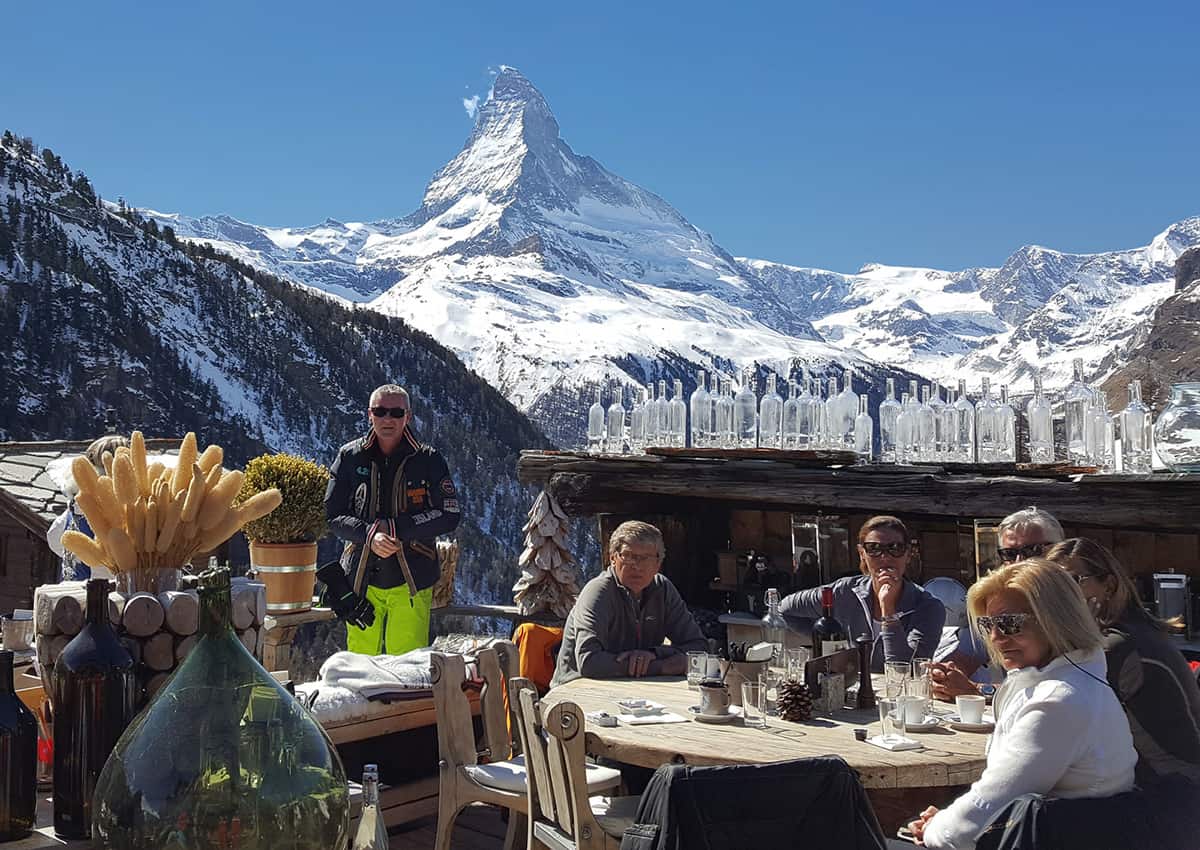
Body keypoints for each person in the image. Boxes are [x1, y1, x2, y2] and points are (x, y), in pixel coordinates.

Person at [909, 559, 1137, 849]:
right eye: (987, 624)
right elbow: (991, 802)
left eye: (1009, 623)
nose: (995, 637)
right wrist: (946, 819)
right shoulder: (1070, 680)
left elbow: (984, 812)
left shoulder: (1059, 700)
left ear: (1055, 619)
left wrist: (936, 828)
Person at [1045, 537, 1200, 786]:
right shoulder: (1128, 633)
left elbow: (1061, 712)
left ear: (1108, 585)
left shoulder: (1117, 647)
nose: (1061, 595)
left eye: (1072, 581)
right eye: (1052, 586)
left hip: (1171, 791)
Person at [324, 384, 461, 655]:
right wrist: (370, 535)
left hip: (412, 580)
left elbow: (450, 514)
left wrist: (397, 529)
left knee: (408, 672)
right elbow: (333, 515)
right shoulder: (349, 457)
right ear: (369, 415)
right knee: (358, 670)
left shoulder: (429, 460)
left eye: (396, 412)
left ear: (407, 417)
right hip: (360, 581)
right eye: (381, 411)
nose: (388, 419)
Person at [930, 506, 1065, 701]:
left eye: (1033, 551)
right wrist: (945, 677)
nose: (1019, 561)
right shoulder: (1000, 606)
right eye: (1010, 554)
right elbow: (964, 657)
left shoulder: (1077, 605)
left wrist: (978, 690)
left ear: (1059, 551)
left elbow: (1054, 691)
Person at [778, 515, 944, 672]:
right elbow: (785, 610)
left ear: (908, 554)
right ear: (862, 554)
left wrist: (888, 610)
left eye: (895, 548)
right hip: (851, 689)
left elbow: (904, 670)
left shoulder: (928, 607)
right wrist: (831, 639)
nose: (885, 557)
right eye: (874, 549)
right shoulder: (844, 591)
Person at [550, 521, 706, 688]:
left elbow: (699, 648)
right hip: (577, 692)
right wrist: (661, 666)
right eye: (628, 556)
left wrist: (654, 653)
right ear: (612, 558)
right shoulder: (598, 592)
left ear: (658, 564)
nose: (637, 566)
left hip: (636, 691)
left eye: (645, 558)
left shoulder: (663, 590)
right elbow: (589, 662)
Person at [46, 435, 129, 581]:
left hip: (71, 590)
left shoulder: (76, 505)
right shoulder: (126, 509)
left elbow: (54, 538)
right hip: (111, 593)